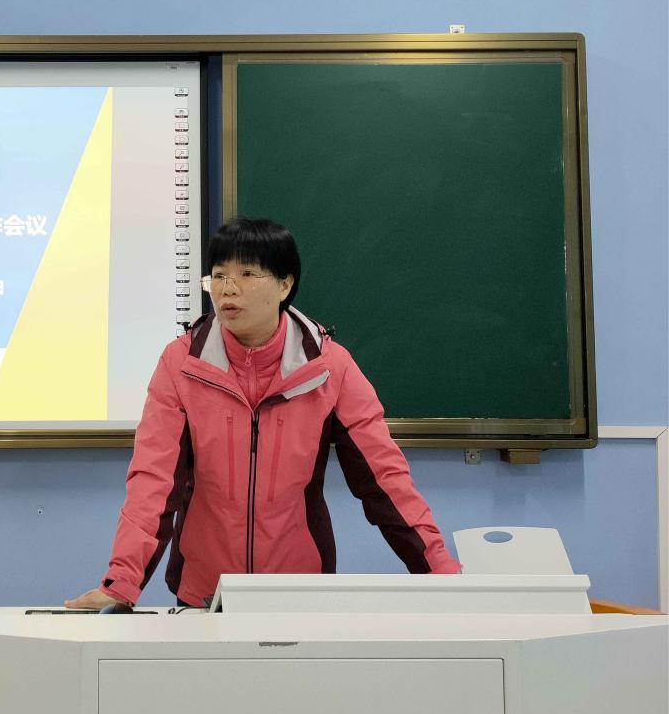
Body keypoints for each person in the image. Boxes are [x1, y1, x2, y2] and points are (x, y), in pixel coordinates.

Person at [66, 218, 460, 610]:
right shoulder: (180, 364)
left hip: (299, 592)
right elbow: (153, 479)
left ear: (285, 284)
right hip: (204, 595)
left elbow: (385, 479)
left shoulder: (330, 368)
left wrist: (440, 573)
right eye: (219, 275)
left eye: (247, 274)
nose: (228, 288)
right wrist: (122, 582)